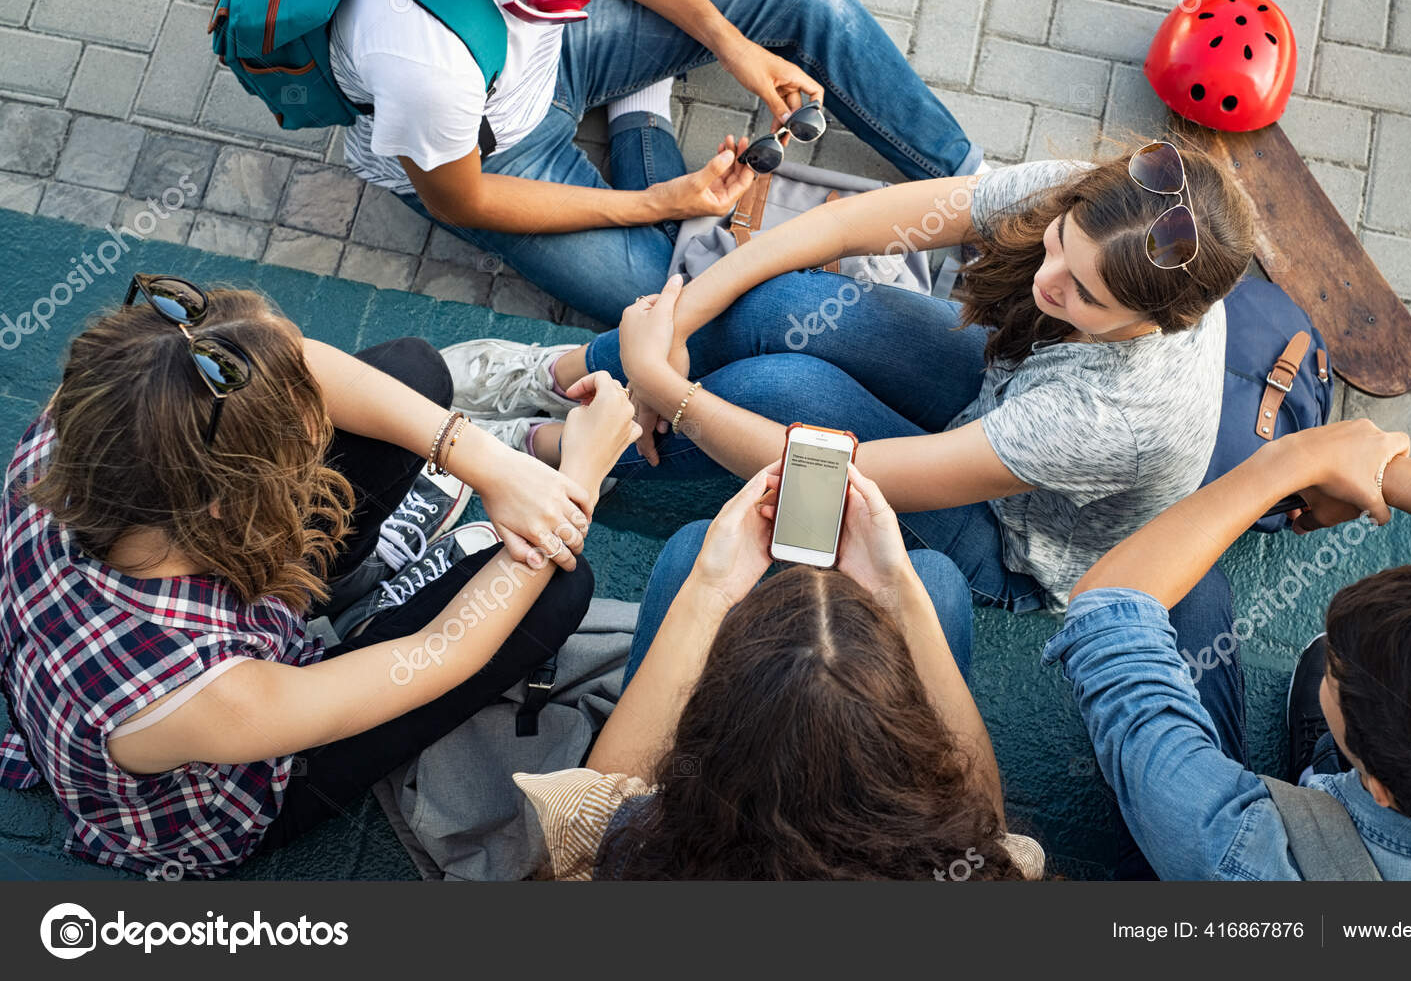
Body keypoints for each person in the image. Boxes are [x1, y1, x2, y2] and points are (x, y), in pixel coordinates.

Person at [445, 142, 1256, 619]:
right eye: (1056, 246)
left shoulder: (1115, 413)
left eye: (1083, 292)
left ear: (1157, 319)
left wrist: (667, 385)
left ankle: (553, 447)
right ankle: (565, 373)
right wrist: (677, 326)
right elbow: (844, 224)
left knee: (776, 393)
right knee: (782, 299)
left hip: (1008, 541)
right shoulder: (1113, 208)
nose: (1048, 280)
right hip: (1003, 389)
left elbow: (834, 471)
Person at [0, 276, 638, 878]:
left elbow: (300, 362)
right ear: (230, 501)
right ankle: (361, 624)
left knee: (413, 370)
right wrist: (577, 479)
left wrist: (492, 465)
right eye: (302, 455)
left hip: (204, 606)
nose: (317, 449)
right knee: (557, 590)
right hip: (245, 778)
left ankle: (353, 587)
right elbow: (434, 656)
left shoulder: (103, 414)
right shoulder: (204, 694)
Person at [331, 0, 982, 325]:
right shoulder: (422, 58)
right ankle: (640, 114)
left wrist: (731, 44)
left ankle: (982, 191)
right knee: (685, 306)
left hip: (553, 48)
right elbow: (462, 199)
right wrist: (655, 202)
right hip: (493, 158)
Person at [1048, 418, 1411, 880]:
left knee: (1187, 595)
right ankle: (1333, 761)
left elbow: (1108, 607)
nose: (1334, 661)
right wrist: (1394, 477)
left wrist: (1291, 462)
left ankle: (1321, 771)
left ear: (1380, 786)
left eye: (1337, 674)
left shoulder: (1238, 850)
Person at [512, 463, 1045, 880]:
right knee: (935, 578)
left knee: (692, 548)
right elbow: (988, 828)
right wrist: (897, 589)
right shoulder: (968, 867)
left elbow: (604, 796)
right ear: (908, 742)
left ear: (701, 724)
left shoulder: (632, 850)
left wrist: (710, 589)